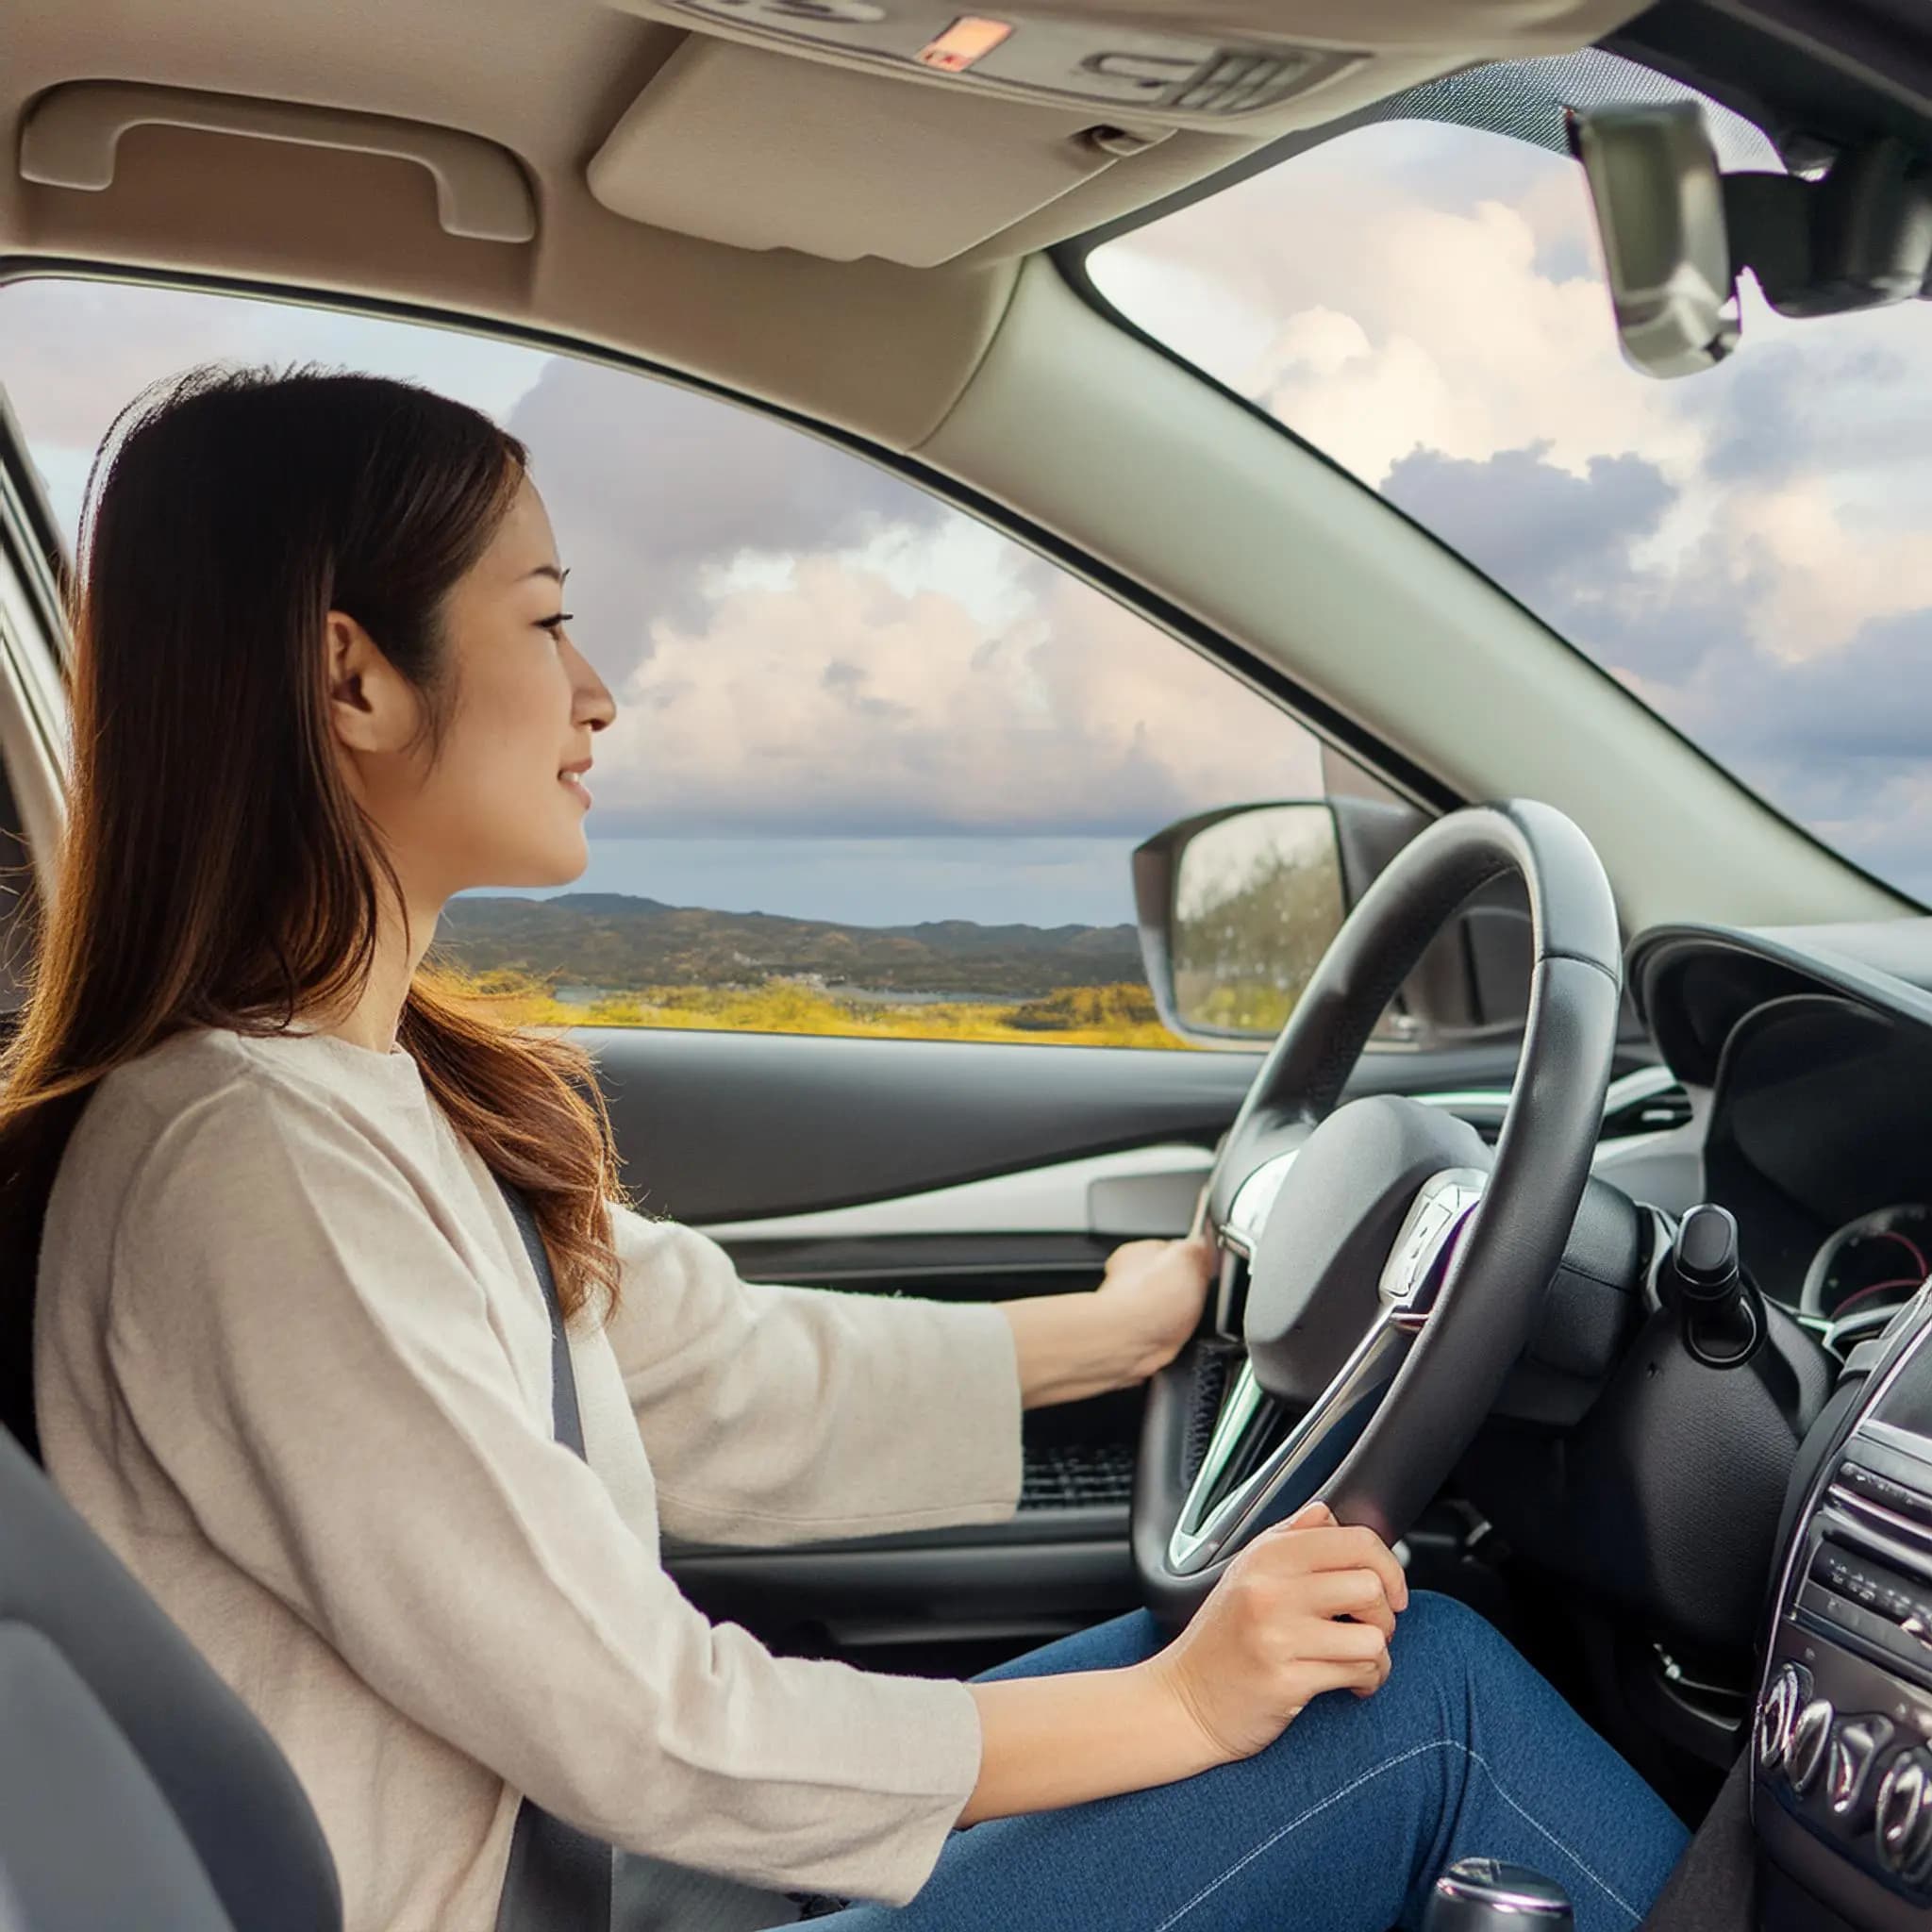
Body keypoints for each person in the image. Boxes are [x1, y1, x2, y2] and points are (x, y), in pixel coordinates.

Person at [8, 368, 1689, 1932]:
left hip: (589, 1886)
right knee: (1432, 1711)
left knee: (1349, 1681)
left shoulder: (377, 1106)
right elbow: (640, 1723)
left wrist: (1128, 1325)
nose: (598, 690)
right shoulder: (251, 1167)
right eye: (548, 619)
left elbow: (719, 1374)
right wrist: (1181, 1703)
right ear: (351, 675)